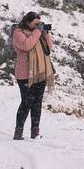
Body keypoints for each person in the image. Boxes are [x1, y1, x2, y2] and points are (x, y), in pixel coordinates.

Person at [12, 11, 54, 140]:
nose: (37, 26)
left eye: (39, 24)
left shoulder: (38, 33)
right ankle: (18, 132)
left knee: (37, 103)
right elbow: (26, 45)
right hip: (25, 74)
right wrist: (38, 32)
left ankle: (35, 132)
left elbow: (49, 48)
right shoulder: (18, 32)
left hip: (40, 73)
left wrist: (45, 34)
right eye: (35, 24)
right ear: (27, 22)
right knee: (26, 102)